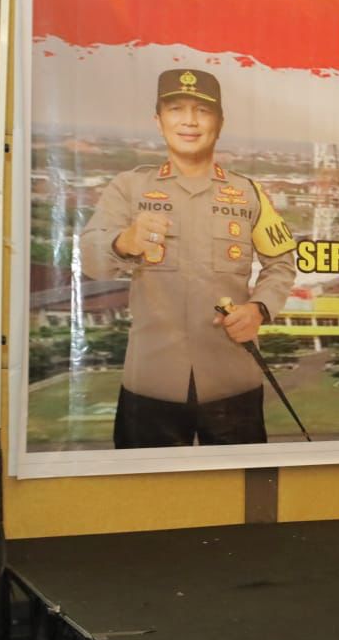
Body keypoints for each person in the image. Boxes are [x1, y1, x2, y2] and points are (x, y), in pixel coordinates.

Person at [78, 69, 296, 448]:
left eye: (202, 111)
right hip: (151, 381)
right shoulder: (129, 188)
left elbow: (281, 264)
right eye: (176, 109)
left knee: (238, 485)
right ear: (158, 120)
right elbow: (90, 261)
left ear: (220, 123)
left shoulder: (247, 193)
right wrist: (123, 242)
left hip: (232, 379)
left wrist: (259, 309)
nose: (190, 121)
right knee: (147, 485)